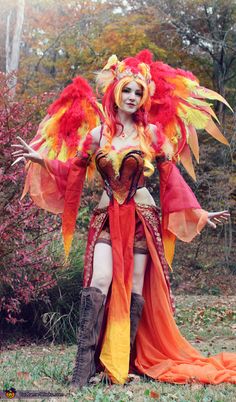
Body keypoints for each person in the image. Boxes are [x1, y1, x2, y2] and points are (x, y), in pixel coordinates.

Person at [12, 50, 236, 387]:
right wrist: (40, 160)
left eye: (138, 92)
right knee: (100, 280)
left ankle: (124, 364)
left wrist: (199, 212)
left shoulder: (153, 135)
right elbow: (72, 172)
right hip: (106, 217)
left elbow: (172, 180)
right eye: (127, 90)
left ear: (143, 97)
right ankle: (82, 370)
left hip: (141, 219)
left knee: (133, 288)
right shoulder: (97, 136)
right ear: (116, 92)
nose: (132, 97)